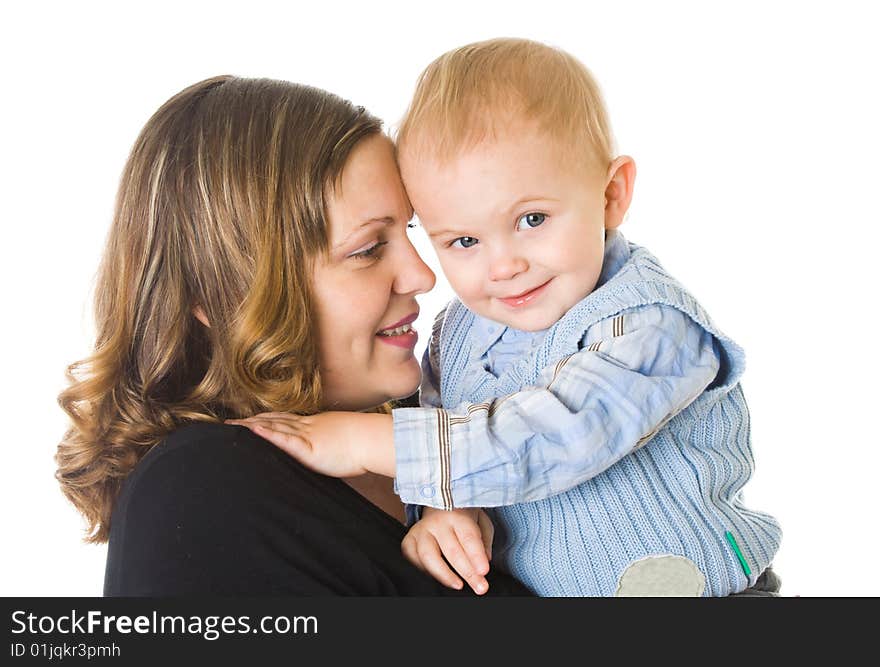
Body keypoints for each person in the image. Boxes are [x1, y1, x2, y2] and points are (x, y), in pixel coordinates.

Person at [231, 39, 783, 597]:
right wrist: (445, 508)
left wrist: (360, 440)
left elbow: (555, 435)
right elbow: (447, 426)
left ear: (611, 196)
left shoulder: (651, 326)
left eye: (532, 218)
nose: (504, 265)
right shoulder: (458, 335)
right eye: (464, 240)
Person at [55, 75, 532, 596]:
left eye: (410, 231)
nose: (422, 275)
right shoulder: (198, 490)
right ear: (223, 293)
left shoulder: (452, 433)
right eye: (368, 249)